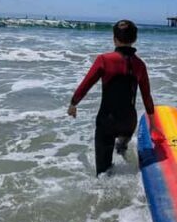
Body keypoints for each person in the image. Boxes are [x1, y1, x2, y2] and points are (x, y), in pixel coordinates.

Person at [68, 19, 162, 176]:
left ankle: (107, 185)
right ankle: (125, 157)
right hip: (128, 122)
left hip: (107, 122)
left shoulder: (104, 60)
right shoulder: (140, 65)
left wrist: (73, 104)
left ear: (114, 39)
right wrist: (153, 125)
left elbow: (86, 85)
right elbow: (147, 97)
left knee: (103, 173)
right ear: (135, 39)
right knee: (121, 147)